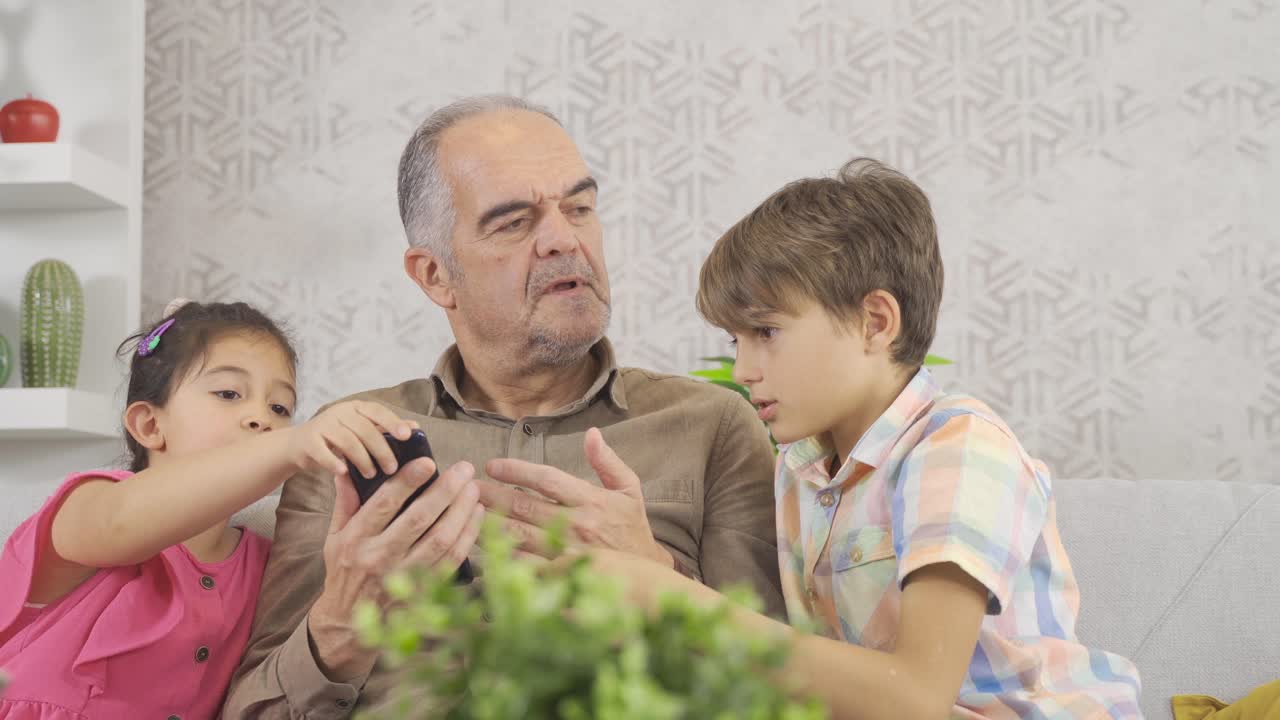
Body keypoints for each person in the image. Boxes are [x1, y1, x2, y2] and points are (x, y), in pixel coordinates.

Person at [221, 95, 782, 716]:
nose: (564, 239)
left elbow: (782, 692)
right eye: (514, 222)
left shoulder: (711, 427)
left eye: (579, 208)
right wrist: (338, 626)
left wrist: (659, 584)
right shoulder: (352, 441)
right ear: (434, 275)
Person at [584, 158, 1143, 719]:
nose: (743, 370)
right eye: (736, 341)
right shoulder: (800, 470)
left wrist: (669, 599)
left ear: (875, 322)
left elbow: (916, 698)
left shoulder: (959, 448)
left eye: (766, 332)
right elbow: (797, 665)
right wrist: (653, 567)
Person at [0, 300, 421, 718]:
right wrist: (292, 444)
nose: (261, 418)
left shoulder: (270, 562)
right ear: (150, 425)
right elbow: (117, 524)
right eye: (229, 393)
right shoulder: (89, 505)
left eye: (280, 408)